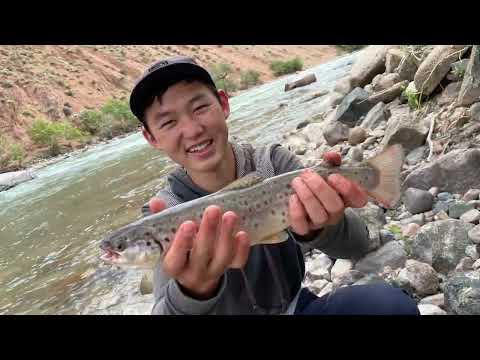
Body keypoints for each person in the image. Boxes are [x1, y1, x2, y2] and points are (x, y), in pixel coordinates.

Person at [128, 55, 419, 315]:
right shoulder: (162, 215)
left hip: (294, 308)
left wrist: (321, 227)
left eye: (200, 107)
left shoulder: (272, 164)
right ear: (151, 137)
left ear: (224, 103)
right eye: (167, 122)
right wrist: (192, 292)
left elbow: (357, 243)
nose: (192, 130)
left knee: (391, 306)